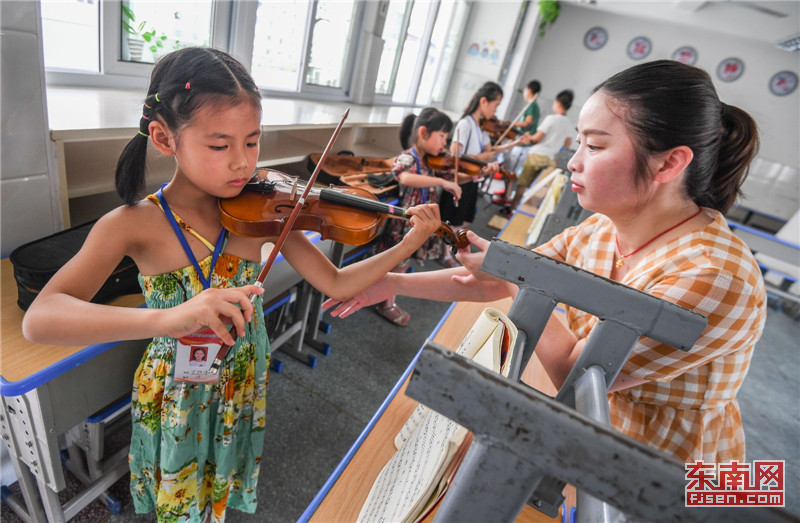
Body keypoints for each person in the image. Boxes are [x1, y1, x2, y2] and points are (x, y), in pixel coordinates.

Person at [21, 47, 443, 522]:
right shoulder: (130, 224)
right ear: (164, 138)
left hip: (240, 376)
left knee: (217, 489)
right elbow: (41, 319)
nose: (243, 163)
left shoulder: (265, 208)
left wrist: (410, 244)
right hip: (177, 388)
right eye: (220, 146)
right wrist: (169, 317)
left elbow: (337, 282)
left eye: (253, 142)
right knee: (178, 501)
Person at [324, 60, 766, 465]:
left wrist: (518, 276)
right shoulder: (604, 227)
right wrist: (395, 283)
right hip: (594, 439)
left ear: (669, 162)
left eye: (593, 146)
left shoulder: (716, 276)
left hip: (672, 476)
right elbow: (493, 281)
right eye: (578, 143)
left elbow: (576, 375)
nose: (572, 162)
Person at [373, 107, 463, 326]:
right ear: (423, 132)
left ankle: (385, 299)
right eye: (442, 136)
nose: (445, 143)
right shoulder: (407, 158)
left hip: (417, 225)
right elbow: (405, 178)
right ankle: (386, 304)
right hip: (404, 225)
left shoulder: (428, 161)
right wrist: (441, 182)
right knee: (397, 266)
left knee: (402, 266)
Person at [440, 82, 523, 264]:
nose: (495, 111)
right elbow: (454, 158)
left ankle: (449, 249)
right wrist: (483, 158)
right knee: (453, 221)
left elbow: (489, 152)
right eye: (496, 105)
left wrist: (506, 148)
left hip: (473, 180)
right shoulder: (465, 124)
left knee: (465, 219)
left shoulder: (481, 127)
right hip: (460, 181)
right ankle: (446, 254)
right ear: (484, 101)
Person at [507, 89, 574, 212]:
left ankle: (512, 210)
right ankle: (524, 214)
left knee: (523, 185)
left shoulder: (551, 118)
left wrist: (529, 138)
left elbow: (536, 139)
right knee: (538, 190)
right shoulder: (569, 124)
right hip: (551, 161)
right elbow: (566, 147)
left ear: (558, 103)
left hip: (537, 156)